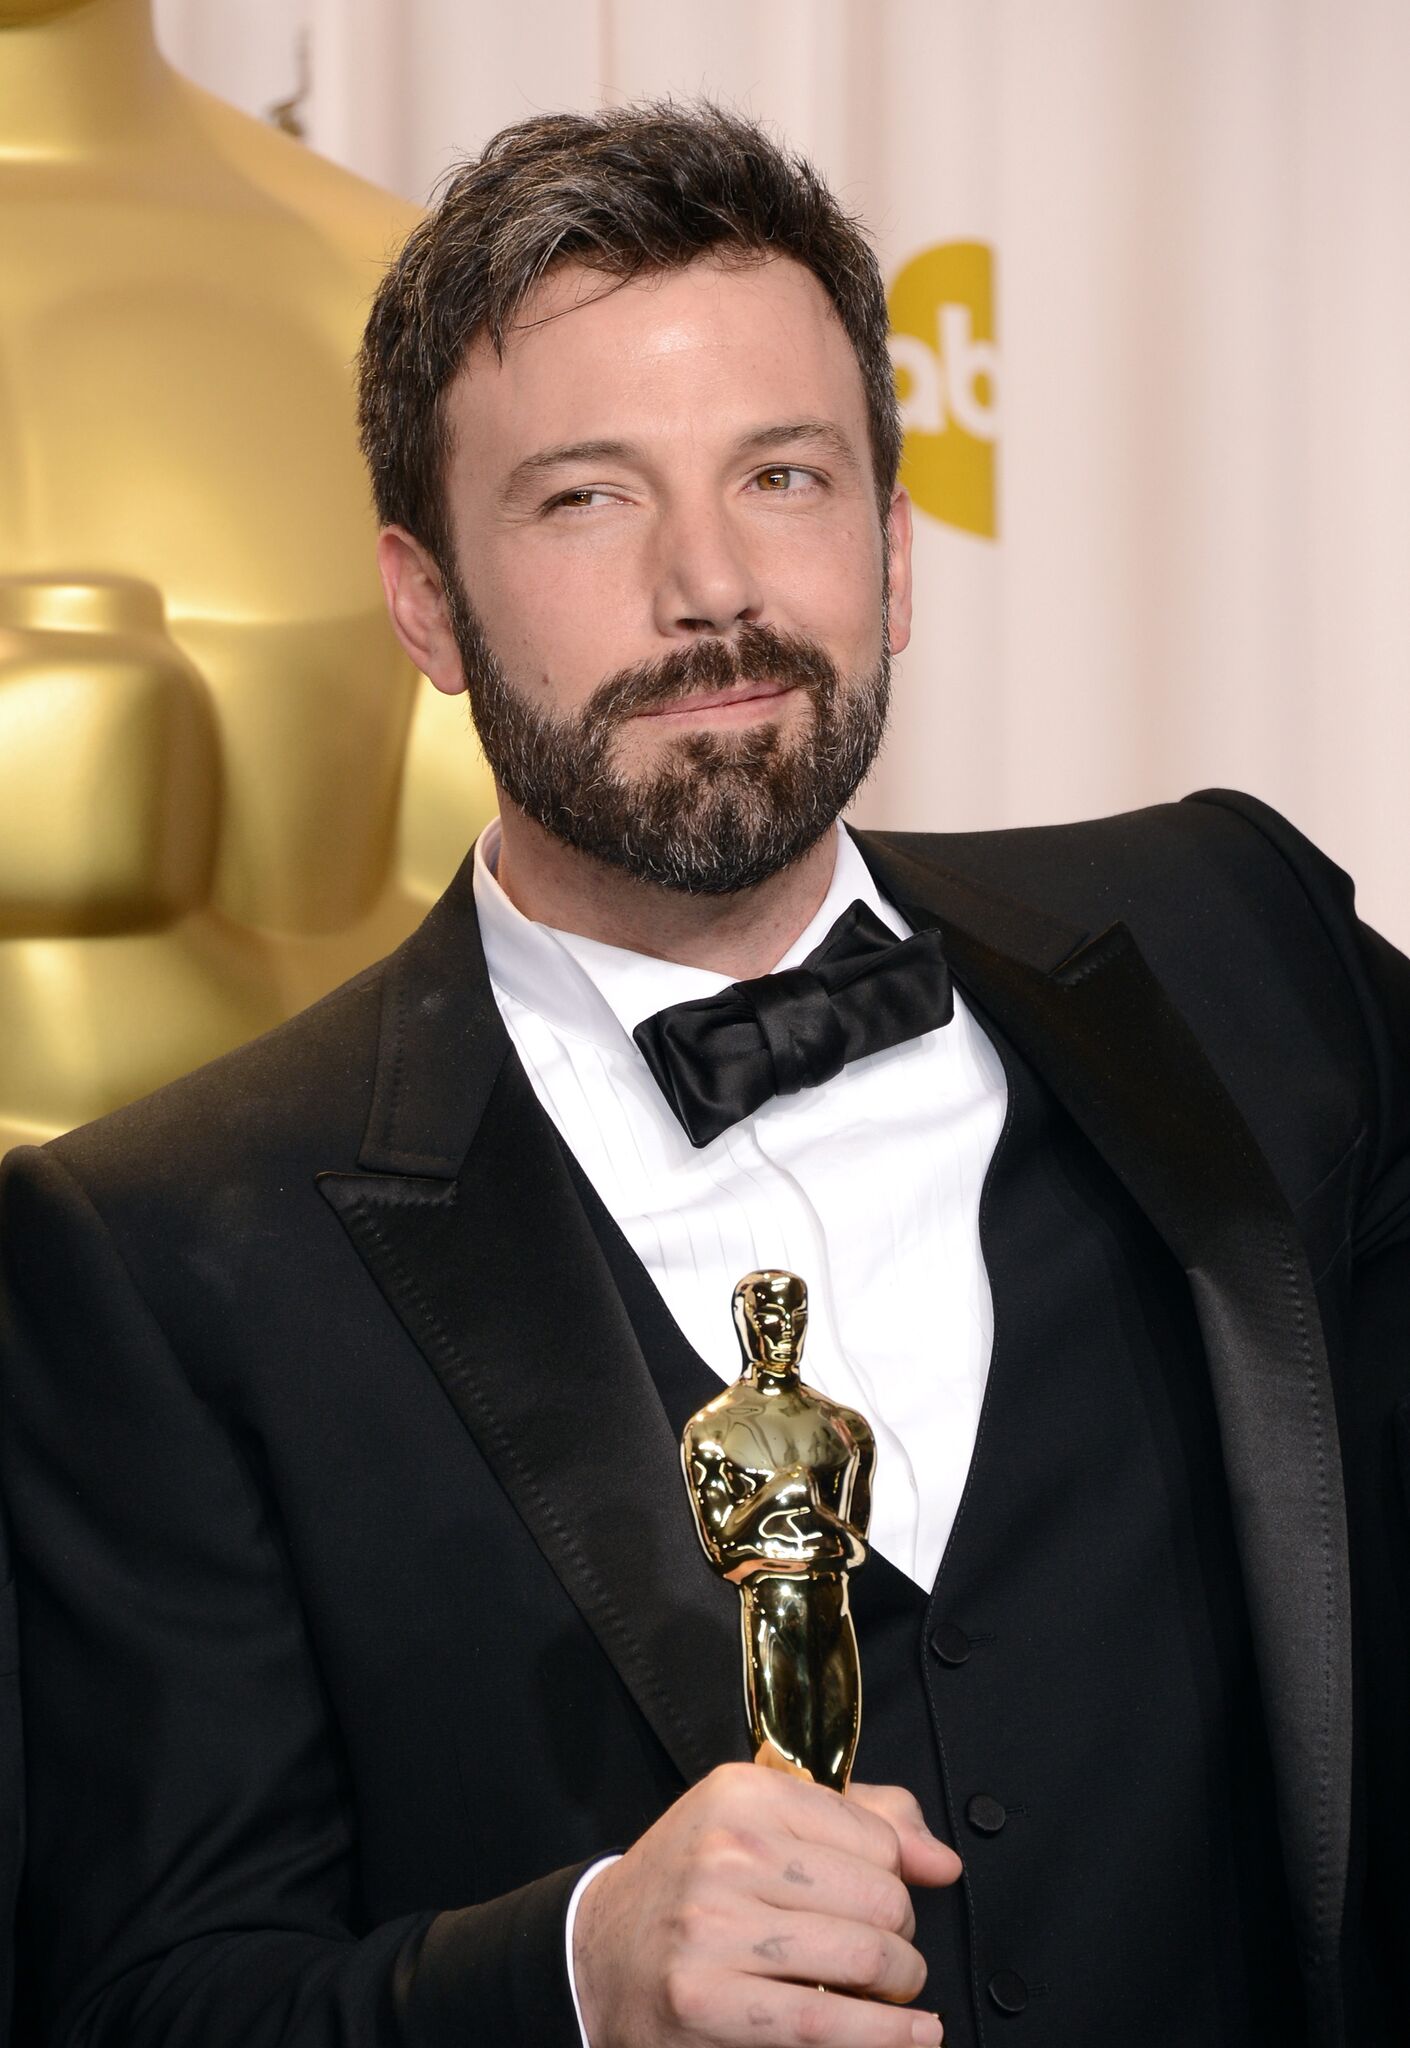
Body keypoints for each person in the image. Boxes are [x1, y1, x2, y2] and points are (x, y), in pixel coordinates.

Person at [0, 101, 1406, 2048]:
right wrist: (571, 1972)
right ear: (424, 601)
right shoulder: (153, 1257)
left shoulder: (1237, 948)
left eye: (785, 477)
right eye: (586, 498)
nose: (710, 587)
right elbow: (131, 2006)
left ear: (898, 548)